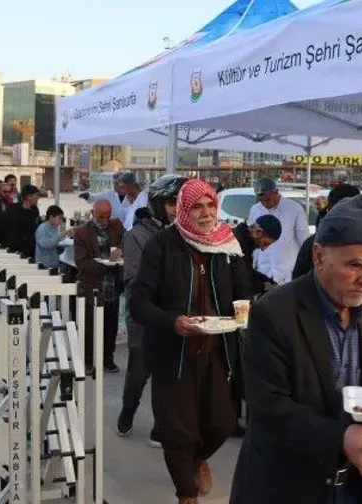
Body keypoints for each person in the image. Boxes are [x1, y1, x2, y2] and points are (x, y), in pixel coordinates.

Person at [230, 194, 362, 504]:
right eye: (355, 265)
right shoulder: (274, 312)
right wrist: (341, 437)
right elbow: (267, 406)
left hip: (360, 485)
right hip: (288, 485)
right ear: (319, 256)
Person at [129, 179, 252, 504]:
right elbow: (138, 301)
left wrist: (243, 312)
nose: (206, 212)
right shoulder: (162, 245)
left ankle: (198, 458)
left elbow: (243, 291)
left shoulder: (228, 244)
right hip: (174, 355)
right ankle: (186, 494)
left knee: (222, 422)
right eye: (197, 206)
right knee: (177, 430)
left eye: (210, 205)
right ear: (184, 209)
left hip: (217, 352)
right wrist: (173, 321)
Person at [117, 174, 188, 447]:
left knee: (169, 376)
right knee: (139, 373)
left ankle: (161, 427)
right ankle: (128, 410)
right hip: (145, 317)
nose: (176, 208)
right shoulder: (137, 236)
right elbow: (134, 280)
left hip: (177, 317)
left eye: (181, 202)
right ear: (159, 203)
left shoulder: (188, 234)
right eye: (172, 202)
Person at [73, 199, 125, 374]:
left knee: (111, 326)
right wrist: (105, 264)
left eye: (107, 217)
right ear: (92, 213)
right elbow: (81, 262)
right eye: (100, 216)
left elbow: (128, 241)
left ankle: (107, 359)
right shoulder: (82, 233)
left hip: (112, 286)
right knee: (89, 326)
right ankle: (88, 361)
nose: (104, 220)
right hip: (92, 286)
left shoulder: (117, 226)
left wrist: (121, 250)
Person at [247, 178, 309, 252]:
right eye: (261, 200)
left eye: (268, 199)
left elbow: (303, 238)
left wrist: (306, 259)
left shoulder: (294, 208)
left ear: (276, 192)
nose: (264, 203)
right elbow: (251, 237)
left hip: (288, 261)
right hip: (262, 261)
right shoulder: (255, 209)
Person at [250, 214, 295, 286]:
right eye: (265, 243)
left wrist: (268, 282)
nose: (263, 249)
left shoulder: (246, 248)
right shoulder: (235, 248)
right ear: (258, 232)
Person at [5, 185, 42, 259]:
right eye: (37, 195)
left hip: (31, 248)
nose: (38, 198)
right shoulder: (14, 209)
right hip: (17, 249)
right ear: (29, 197)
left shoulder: (35, 209)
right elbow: (11, 231)